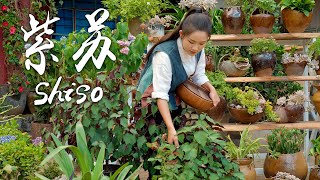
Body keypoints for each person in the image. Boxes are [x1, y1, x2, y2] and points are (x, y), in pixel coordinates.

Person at [137, 7, 220, 148]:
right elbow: (161, 94)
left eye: (201, 43)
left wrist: (211, 89)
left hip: (172, 96)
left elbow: (199, 74)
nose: (195, 48)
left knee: (176, 146)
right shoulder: (164, 55)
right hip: (151, 101)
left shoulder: (199, 50)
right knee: (155, 145)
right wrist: (170, 128)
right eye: (191, 42)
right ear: (181, 34)